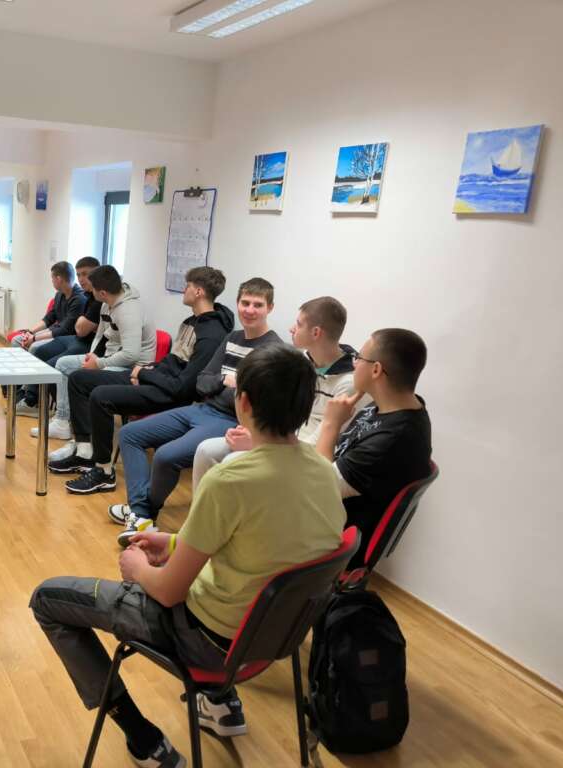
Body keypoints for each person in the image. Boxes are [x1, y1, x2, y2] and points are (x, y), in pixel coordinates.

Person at [30, 344, 346, 768]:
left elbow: (167, 592)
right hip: (272, 638)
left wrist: (138, 570)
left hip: (207, 641)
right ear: (307, 408)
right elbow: (260, 543)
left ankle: (144, 738)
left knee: (47, 599)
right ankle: (221, 703)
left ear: (243, 402)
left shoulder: (230, 478)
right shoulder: (324, 471)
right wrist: (176, 542)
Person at [111, 278, 282, 543]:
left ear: (269, 308)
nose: (250, 310)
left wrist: (223, 387)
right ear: (237, 303)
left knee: (166, 456)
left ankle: (141, 513)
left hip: (232, 420)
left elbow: (251, 400)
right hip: (202, 409)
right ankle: (141, 511)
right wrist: (226, 381)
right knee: (130, 434)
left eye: (257, 305)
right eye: (245, 303)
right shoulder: (232, 338)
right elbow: (202, 382)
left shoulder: (273, 351)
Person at [50, 267, 234, 496]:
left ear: (198, 292)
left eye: (187, 286)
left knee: (100, 396)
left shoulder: (212, 333)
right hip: (158, 380)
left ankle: (103, 472)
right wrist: (147, 370)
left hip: (171, 394)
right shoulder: (191, 321)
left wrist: (144, 374)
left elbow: (186, 387)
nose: (184, 289)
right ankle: (85, 452)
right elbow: (173, 362)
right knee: (79, 379)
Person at [191, 295, 362, 489]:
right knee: (205, 450)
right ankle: (204, 508)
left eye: (299, 324)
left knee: (233, 461)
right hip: (278, 439)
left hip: (301, 455)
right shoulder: (301, 360)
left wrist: (260, 443)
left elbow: (321, 443)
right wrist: (256, 431)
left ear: (316, 332)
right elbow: (279, 410)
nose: (292, 329)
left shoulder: (348, 383)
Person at [316, 328, 432, 567]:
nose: (354, 363)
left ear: (376, 370)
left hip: (329, 537)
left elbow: (319, 486)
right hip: (327, 509)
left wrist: (330, 424)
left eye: (358, 357)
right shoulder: (388, 406)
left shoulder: (394, 439)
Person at [37, 265, 156, 443]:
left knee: (82, 378)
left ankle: (84, 437)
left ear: (102, 293)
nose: (89, 292)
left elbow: (131, 355)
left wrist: (98, 364)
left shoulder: (129, 311)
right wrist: (91, 356)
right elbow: (100, 335)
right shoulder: (107, 304)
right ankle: (62, 421)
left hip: (132, 369)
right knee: (63, 364)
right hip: (111, 358)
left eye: (92, 289)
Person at [25, 256, 103, 426]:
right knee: (39, 351)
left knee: (53, 365)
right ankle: (30, 398)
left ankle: (61, 417)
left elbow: (78, 328)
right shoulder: (86, 295)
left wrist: (83, 323)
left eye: (85, 274)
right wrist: (31, 332)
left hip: (88, 344)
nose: (81, 279)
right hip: (75, 338)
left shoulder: (90, 297)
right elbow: (72, 325)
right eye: (79, 274)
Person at [9, 261, 86, 415]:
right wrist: (30, 332)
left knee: (35, 347)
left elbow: (64, 330)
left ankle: (32, 398)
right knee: (17, 340)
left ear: (58, 279)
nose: (51, 281)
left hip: (66, 338)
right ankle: (21, 387)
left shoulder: (79, 299)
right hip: (55, 333)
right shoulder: (60, 295)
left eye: (52, 278)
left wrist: (34, 339)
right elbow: (49, 318)